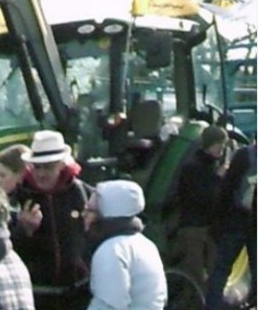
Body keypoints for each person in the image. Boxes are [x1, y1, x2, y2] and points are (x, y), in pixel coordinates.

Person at [13, 130, 93, 310]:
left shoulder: (83, 194)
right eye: (36, 167)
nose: (41, 174)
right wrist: (24, 231)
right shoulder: (18, 198)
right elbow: (5, 251)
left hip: (78, 296)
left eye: (48, 167)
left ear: (62, 165)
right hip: (35, 297)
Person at [84, 180, 167, 310]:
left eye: (90, 210)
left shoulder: (111, 250)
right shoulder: (145, 244)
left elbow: (108, 305)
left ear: (106, 216)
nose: (84, 215)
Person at [173, 125, 228, 288]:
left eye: (223, 145)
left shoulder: (213, 165)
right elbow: (202, 197)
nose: (221, 149)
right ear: (209, 144)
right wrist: (218, 178)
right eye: (219, 145)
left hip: (211, 227)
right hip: (194, 226)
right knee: (194, 273)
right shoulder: (193, 167)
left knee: (216, 271)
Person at [204, 143, 257, 310]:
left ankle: (213, 306)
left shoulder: (243, 155)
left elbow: (227, 188)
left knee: (221, 268)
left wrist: (218, 220)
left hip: (237, 220)